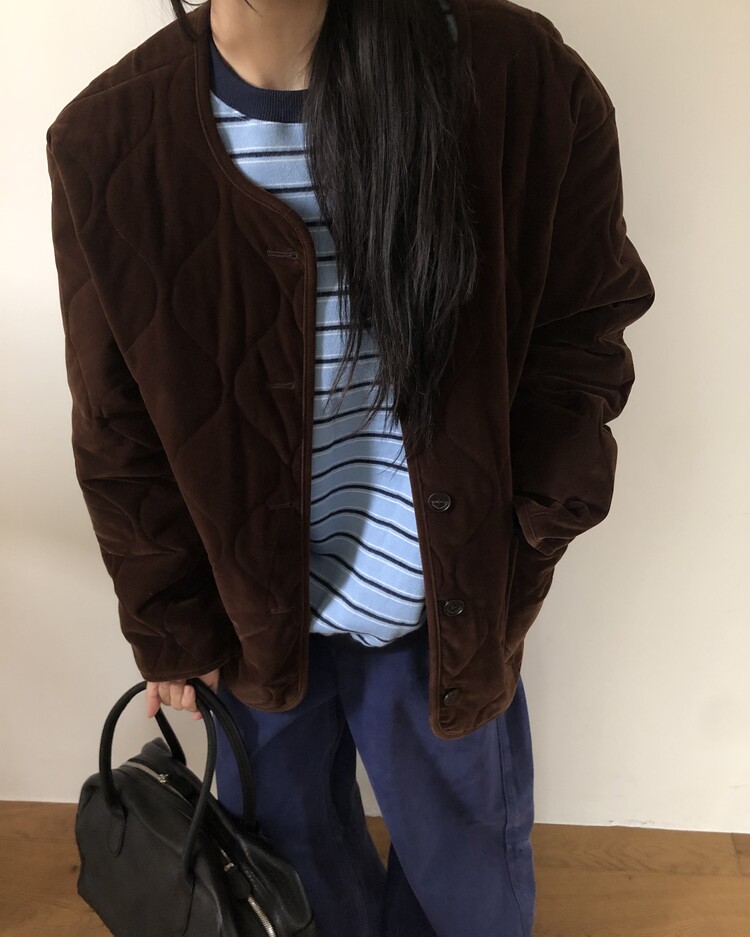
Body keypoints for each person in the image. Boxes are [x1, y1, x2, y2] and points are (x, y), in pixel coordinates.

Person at [46, 0, 655, 935]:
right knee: (291, 882)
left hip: (445, 615)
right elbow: (116, 428)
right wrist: (169, 620)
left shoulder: (518, 78)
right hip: (252, 629)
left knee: (470, 892)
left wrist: (532, 527)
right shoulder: (108, 143)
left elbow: (584, 327)